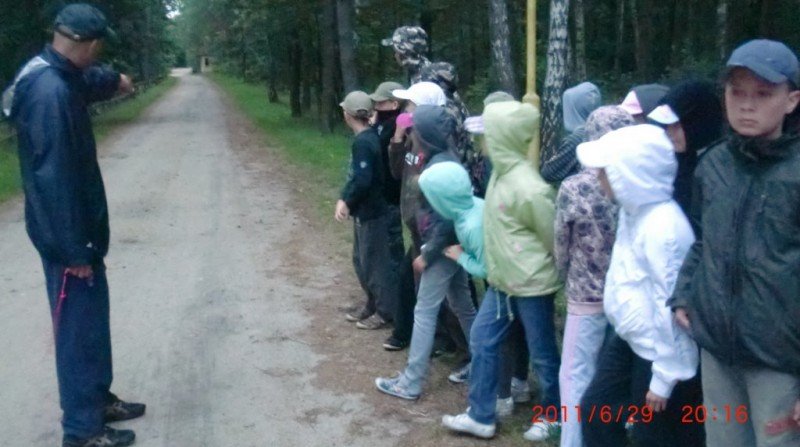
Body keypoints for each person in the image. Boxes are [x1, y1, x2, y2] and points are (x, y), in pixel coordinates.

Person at [4, 4, 143, 447]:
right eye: (99, 48)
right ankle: (83, 431)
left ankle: (96, 400)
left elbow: (86, 79)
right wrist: (73, 251)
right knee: (78, 332)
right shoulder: (51, 96)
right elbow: (53, 181)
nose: (99, 55)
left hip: (79, 233)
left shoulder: (55, 73)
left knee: (92, 322)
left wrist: (115, 81)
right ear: (90, 43)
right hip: (68, 239)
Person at [669, 39, 800, 447]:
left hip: (780, 360)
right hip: (718, 350)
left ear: (792, 100)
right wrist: (685, 292)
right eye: (737, 92)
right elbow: (702, 240)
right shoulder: (713, 165)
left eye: (763, 94)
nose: (746, 105)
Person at [441, 100, 562, 442]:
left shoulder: (530, 188)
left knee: (543, 354)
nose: (481, 141)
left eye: (488, 134)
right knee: (482, 339)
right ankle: (480, 414)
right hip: (502, 283)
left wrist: (546, 271)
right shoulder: (498, 174)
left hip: (532, 285)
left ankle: (553, 415)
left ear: (503, 138)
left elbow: (554, 238)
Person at [577, 125, 703, 447]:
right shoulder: (632, 212)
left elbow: (672, 305)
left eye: (606, 171)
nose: (599, 178)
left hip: (661, 352)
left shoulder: (665, 228)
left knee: (654, 436)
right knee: (596, 411)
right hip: (631, 338)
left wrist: (665, 377)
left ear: (629, 175)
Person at [375, 105, 476, 400]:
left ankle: (411, 381)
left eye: (414, 129)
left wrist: (427, 254)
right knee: (462, 304)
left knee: (425, 310)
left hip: (441, 248)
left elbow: (445, 220)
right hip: (450, 246)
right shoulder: (441, 158)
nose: (410, 133)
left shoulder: (440, 167)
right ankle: (482, 361)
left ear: (426, 134)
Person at [554, 106, 635, 447]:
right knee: (614, 373)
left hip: (584, 293)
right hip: (626, 293)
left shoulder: (574, 186)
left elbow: (561, 241)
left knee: (575, 372)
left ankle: (573, 441)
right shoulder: (637, 179)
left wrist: (562, 273)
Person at [381, 81, 448, 351]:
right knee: (411, 282)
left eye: (409, 105)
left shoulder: (435, 145)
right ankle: (407, 334)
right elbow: (398, 172)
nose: (405, 110)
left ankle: (445, 341)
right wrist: (397, 138)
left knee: (439, 290)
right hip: (415, 224)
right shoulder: (413, 138)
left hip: (430, 226)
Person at [336, 91, 396, 330]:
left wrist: (346, 202)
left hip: (372, 212)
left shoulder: (363, 142)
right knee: (361, 260)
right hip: (366, 212)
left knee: (373, 265)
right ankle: (372, 304)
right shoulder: (369, 137)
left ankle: (384, 312)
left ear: (348, 115)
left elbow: (362, 180)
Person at [647, 79, 724, 215]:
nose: (669, 133)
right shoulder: (672, 162)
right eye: (666, 126)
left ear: (698, 123)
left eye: (677, 125)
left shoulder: (721, 168)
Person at [367, 81, 406, 333]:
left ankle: (391, 308)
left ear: (394, 104)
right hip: (383, 197)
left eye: (381, 102)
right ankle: (384, 304)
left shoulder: (396, 126)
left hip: (391, 199)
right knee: (382, 254)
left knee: (391, 256)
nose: (376, 106)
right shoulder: (383, 124)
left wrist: (374, 128)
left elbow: (382, 151)